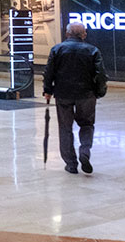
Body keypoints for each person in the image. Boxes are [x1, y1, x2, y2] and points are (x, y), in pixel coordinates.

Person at [44, 22, 105, 175]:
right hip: (86, 94)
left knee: (65, 128)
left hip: (63, 94)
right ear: (83, 35)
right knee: (87, 124)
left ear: (67, 33)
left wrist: (48, 90)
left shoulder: (57, 49)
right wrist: (99, 91)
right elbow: (101, 74)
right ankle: (84, 151)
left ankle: (71, 163)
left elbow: (49, 71)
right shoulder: (92, 50)